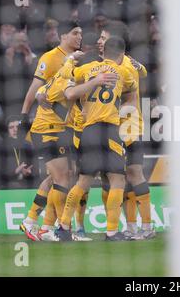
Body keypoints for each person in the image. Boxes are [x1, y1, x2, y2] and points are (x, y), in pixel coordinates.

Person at [55, 36, 137, 241]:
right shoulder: (123, 71)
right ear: (121, 55)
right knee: (117, 179)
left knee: (83, 181)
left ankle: (64, 227)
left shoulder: (88, 70)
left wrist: (69, 60)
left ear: (103, 52)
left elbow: (68, 75)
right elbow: (132, 87)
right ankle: (111, 231)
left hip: (88, 130)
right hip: (109, 130)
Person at [19, 21, 82, 240]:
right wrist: (24, 116)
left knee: (59, 176)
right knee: (62, 177)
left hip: (63, 125)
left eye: (80, 34)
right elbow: (35, 90)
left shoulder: (76, 60)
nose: (79, 37)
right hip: (48, 125)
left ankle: (32, 220)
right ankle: (50, 227)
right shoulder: (50, 58)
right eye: (75, 33)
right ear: (63, 35)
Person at [97, 21, 155, 240]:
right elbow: (144, 71)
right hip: (122, 125)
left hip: (125, 126)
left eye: (103, 37)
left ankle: (145, 226)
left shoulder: (120, 67)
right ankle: (132, 227)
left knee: (130, 174)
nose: (99, 41)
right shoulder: (127, 62)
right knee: (122, 176)